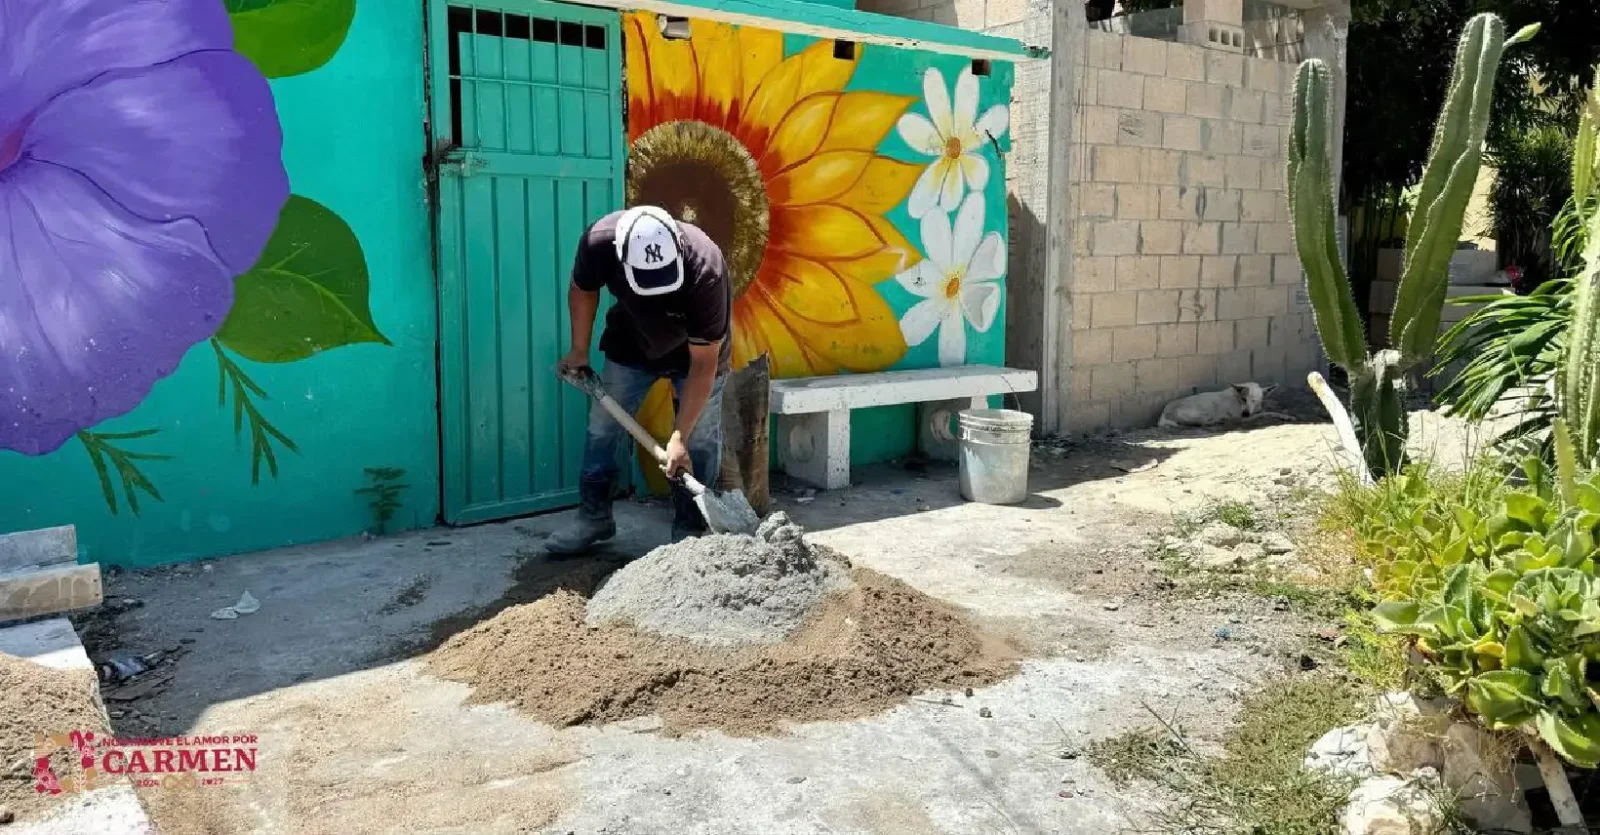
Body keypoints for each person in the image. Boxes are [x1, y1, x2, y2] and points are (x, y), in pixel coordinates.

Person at [547, 205, 732, 554]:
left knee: (700, 438)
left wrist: (679, 436)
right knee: (603, 426)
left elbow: (704, 366)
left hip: (695, 354)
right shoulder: (599, 242)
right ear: (621, 256)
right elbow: (583, 289)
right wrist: (579, 350)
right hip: (631, 342)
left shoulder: (706, 268)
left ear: (677, 249)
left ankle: (691, 533)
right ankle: (593, 518)